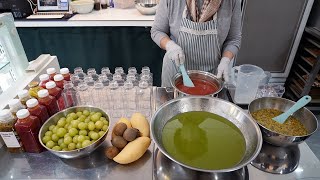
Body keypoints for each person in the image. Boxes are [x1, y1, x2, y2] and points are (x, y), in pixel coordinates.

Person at [151, 0, 242, 87]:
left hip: (213, 76)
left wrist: (225, 60)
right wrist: (170, 45)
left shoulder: (231, 2)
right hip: (175, 71)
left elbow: (233, 39)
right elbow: (157, 31)